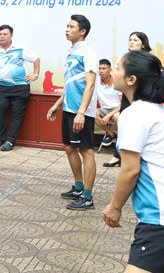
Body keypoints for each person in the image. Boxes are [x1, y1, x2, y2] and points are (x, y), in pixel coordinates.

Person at [102, 50, 164, 273]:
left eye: (118, 68)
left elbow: (130, 170)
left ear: (131, 80)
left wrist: (114, 207)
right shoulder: (158, 109)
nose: (113, 72)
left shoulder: (135, 114)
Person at [47, 14, 99, 210]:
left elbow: (90, 84)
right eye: (67, 26)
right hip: (69, 108)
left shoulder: (89, 52)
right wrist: (57, 104)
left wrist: (81, 113)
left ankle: (87, 197)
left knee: (86, 151)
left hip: (81, 111)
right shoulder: (72, 51)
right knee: (69, 147)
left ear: (82, 31)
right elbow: (70, 84)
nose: (67, 30)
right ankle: (78, 187)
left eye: (71, 27)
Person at [0, 24, 40, 152]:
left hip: (20, 88)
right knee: (0, 113)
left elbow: (36, 59)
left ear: (11, 36)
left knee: (16, 116)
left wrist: (35, 75)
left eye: (5, 34)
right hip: (2, 87)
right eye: (0, 34)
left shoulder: (20, 49)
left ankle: (10, 141)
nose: (2, 36)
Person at [104, 32, 152, 167]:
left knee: (138, 126)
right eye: (130, 39)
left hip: (142, 96)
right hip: (127, 95)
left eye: (135, 40)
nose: (131, 42)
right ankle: (117, 155)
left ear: (143, 44)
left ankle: (138, 156)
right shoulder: (124, 58)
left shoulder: (149, 59)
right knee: (124, 124)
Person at [95, 58, 122, 149]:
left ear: (110, 70)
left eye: (104, 68)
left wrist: (109, 115)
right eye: (99, 68)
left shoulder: (117, 82)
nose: (101, 71)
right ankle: (111, 134)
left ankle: (120, 140)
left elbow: (122, 103)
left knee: (117, 117)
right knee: (90, 113)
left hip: (117, 109)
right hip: (104, 109)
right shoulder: (96, 82)